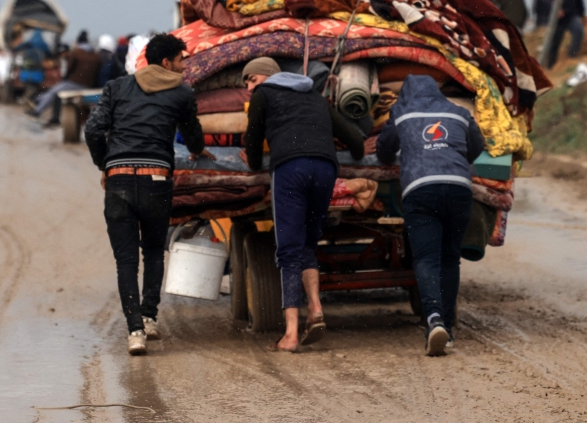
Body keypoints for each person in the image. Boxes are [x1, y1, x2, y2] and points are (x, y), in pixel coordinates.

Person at [84, 33, 214, 356]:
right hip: (156, 179)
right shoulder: (181, 93)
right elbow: (193, 135)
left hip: (119, 181)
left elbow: (92, 129)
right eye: (182, 60)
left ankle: (135, 332)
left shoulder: (117, 87)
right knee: (154, 251)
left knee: (125, 261)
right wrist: (198, 151)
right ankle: (149, 315)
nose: (185, 67)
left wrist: (105, 163)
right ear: (167, 62)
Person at [241, 57, 365, 352]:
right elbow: (356, 144)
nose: (248, 87)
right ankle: (316, 308)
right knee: (308, 242)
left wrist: (255, 161)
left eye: (251, 79)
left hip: (290, 170)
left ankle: (292, 334)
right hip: (325, 169)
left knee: (288, 249)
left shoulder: (263, 95)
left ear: (268, 77)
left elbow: (253, 142)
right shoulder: (314, 96)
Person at [375, 74, 484, 355]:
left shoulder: (401, 111)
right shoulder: (459, 112)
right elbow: (476, 148)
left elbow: (384, 150)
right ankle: (446, 327)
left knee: (426, 257)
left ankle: (433, 318)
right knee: (450, 258)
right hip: (459, 189)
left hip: (421, 190)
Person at [31, 30, 102, 123]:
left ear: (78, 42)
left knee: (53, 92)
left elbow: (69, 69)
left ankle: (37, 111)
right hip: (89, 85)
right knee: (54, 91)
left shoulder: (76, 52)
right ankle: (38, 102)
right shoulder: (96, 55)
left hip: (75, 83)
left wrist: (66, 79)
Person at [542, 0, 586, 68]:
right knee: (554, 42)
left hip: (571, 15)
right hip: (557, 18)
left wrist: (582, 14)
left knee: (578, 32)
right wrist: (555, 9)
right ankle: (550, 66)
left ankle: (572, 57)